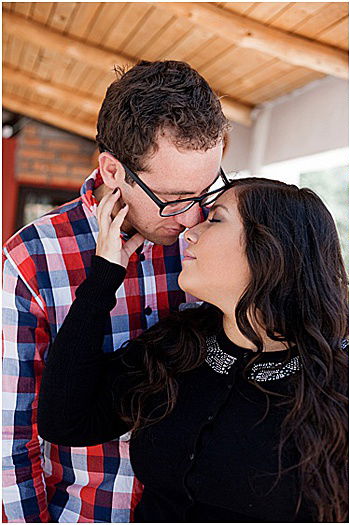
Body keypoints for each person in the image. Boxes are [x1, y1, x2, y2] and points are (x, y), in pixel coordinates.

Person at [36, 177, 349, 522]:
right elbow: (65, 423)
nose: (190, 232)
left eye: (215, 219)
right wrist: (101, 283)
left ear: (270, 247)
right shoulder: (177, 346)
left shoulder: (337, 388)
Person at [2, 60, 227, 522]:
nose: (192, 219)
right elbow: (11, 437)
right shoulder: (31, 259)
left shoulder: (216, 239)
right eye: (175, 198)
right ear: (112, 170)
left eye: (207, 191)